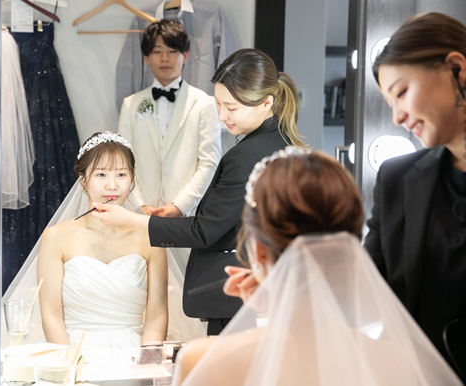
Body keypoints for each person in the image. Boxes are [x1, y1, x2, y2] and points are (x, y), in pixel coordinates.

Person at [173, 147, 461, 385]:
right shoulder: (398, 362)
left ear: (257, 251)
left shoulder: (204, 364)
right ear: (349, 246)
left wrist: (277, 304)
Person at [92, 48, 306, 335]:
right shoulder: (282, 143)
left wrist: (130, 219)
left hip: (239, 302)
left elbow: (204, 231)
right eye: (218, 104)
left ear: (266, 102)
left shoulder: (246, 156)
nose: (221, 115)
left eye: (231, 108)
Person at [2, 131, 206, 350]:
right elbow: (51, 315)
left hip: (133, 351)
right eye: (101, 175)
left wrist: (146, 362)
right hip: (71, 351)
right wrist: (67, 362)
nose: (112, 185)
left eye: (121, 174)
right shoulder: (56, 237)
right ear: (83, 181)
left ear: (132, 179)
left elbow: (157, 314)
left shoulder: (150, 237)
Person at [365, 11, 466, 378]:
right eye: (390, 104)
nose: (397, 117)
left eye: (402, 93)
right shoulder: (396, 179)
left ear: (457, 69)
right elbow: (365, 288)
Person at [118, 19, 222, 272]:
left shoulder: (203, 104)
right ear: (146, 58)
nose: (164, 58)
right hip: (140, 218)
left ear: (185, 56)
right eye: (157, 51)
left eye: (172, 51)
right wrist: (138, 204)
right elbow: (122, 163)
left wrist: (181, 205)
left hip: (186, 219)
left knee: (183, 284)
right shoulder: (131, 104)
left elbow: (210, 162)